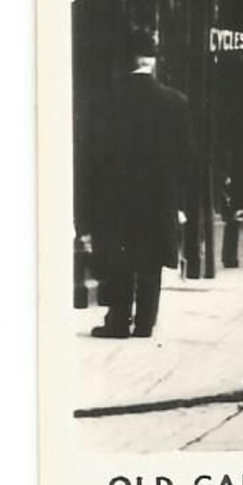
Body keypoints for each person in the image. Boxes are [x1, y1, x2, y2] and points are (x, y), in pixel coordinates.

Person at [90, 31, 194, 339]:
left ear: (127, 60)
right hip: (159, 201)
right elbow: (187, 158)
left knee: (120, 259)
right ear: (152, 61)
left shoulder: (109, 100)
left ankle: (118, 322)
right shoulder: (176, 102)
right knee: (151, 263)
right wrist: (179, 202)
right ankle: (145, 323)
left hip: (118, 200)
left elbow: (95, 155)